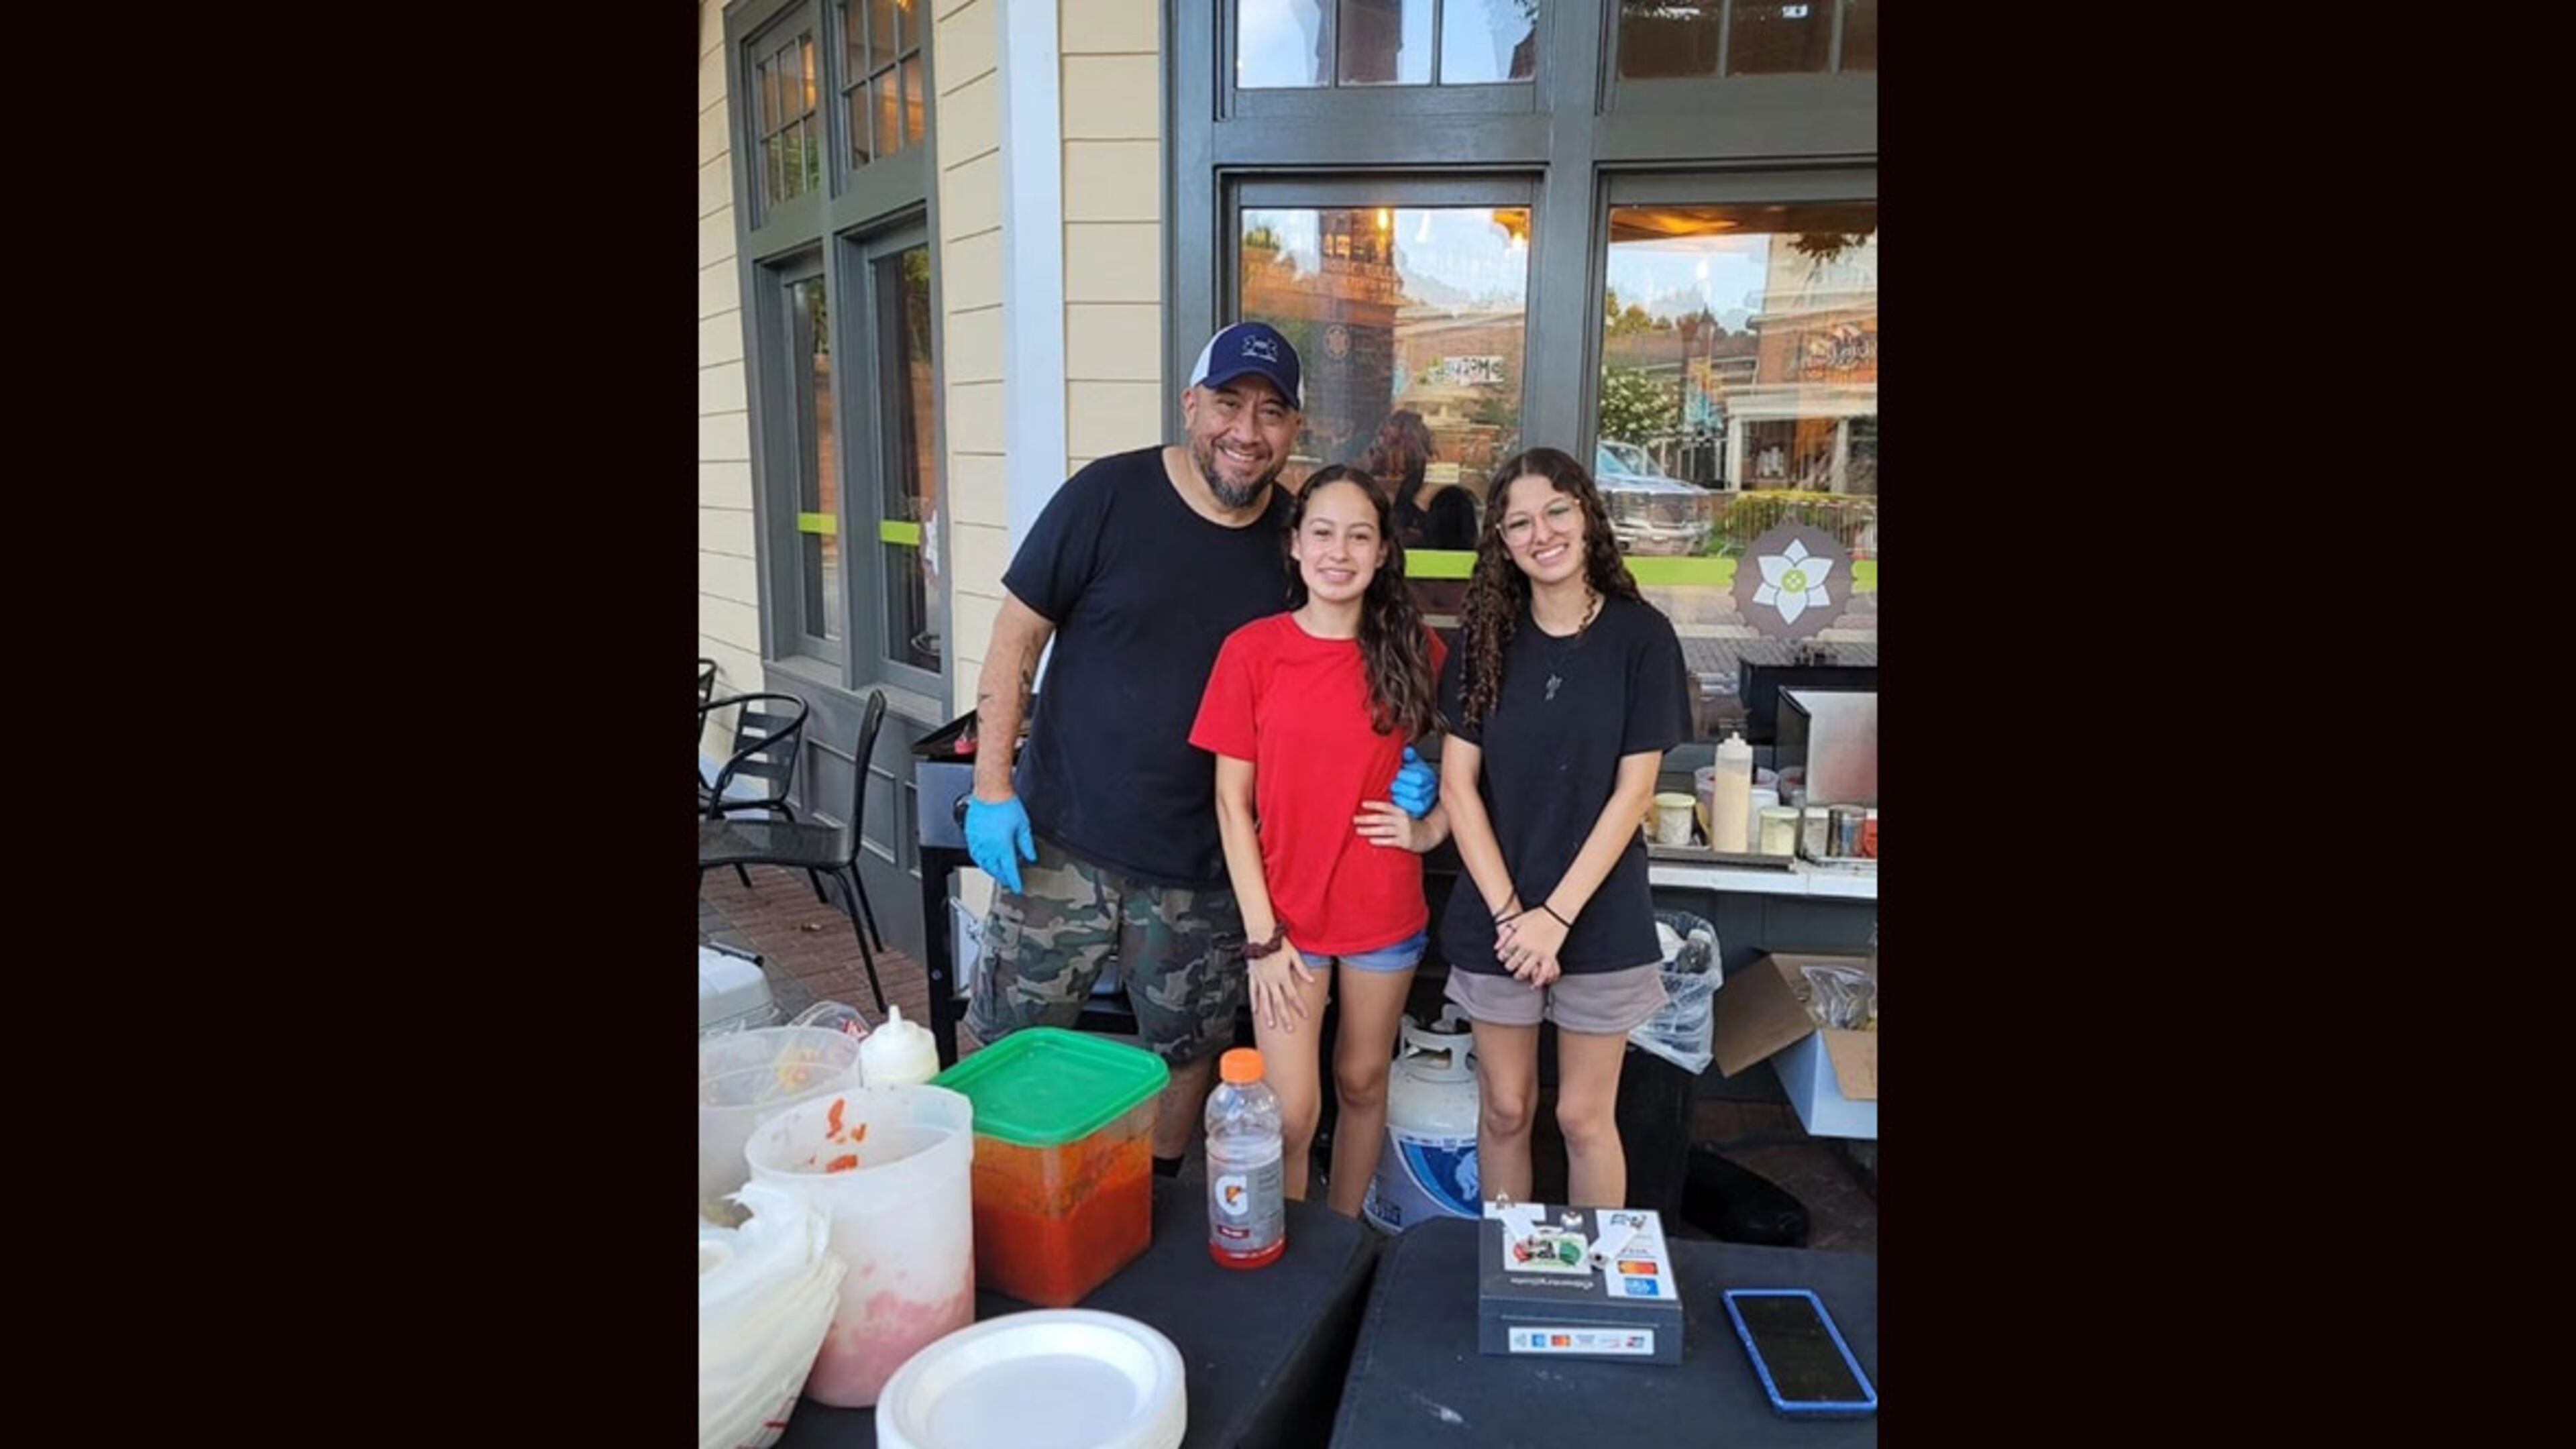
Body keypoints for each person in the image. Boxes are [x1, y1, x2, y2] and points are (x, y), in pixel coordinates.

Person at [961, 323, 1437, 1176]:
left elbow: (1361, 647)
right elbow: (1016, 635)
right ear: (1192, 404)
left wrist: (1415, 760)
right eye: (1227, 404)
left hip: (1207, 869)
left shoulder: (1304, 536)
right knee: (1009, 1037)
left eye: (1271, 413)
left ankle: (1151, 1205)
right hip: (1063, 841)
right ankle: (994, 1204)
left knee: (1186, 1057)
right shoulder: (1107, 495)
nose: (1246, 432)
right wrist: (993, 787)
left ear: (1296, 433)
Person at [1434, 445, 1693, 1209]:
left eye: (1555, 510)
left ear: (1586, 515)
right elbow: (1458, 785)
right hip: (1497, 910)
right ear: (1502, 544)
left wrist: (1555, 918)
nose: (1540, 532)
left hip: (1598, 911)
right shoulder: (1483, 639)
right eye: (1518, 522)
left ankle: (1596, 1293)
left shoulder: (1641, 638)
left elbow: (1633, 793)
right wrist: (1517, 917)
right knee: (1505, 1109)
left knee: (1583, 1116)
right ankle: (1506, 1267)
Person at [1188, 464, 1450, 1215]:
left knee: (1365, 1083)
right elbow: (1230, 804)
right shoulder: (1252, 652)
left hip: (1382, 909)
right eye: (1324, 532)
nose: (1340, 551)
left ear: (1382, 552)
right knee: (1292, 1115)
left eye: (1360, 535)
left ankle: (1343, 1246)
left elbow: (1476, 764)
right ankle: (1294, 1264)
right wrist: (1263, 938)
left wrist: (1429, 822)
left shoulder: (1413, 650)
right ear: (1296, 546)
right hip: (1288, 924)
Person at [1362, 409, 1477, 551]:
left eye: (1393, 444)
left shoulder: (1450, 500)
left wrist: (1421, 501)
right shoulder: (1371, 495)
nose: (1381, 451)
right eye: (1379, 442)